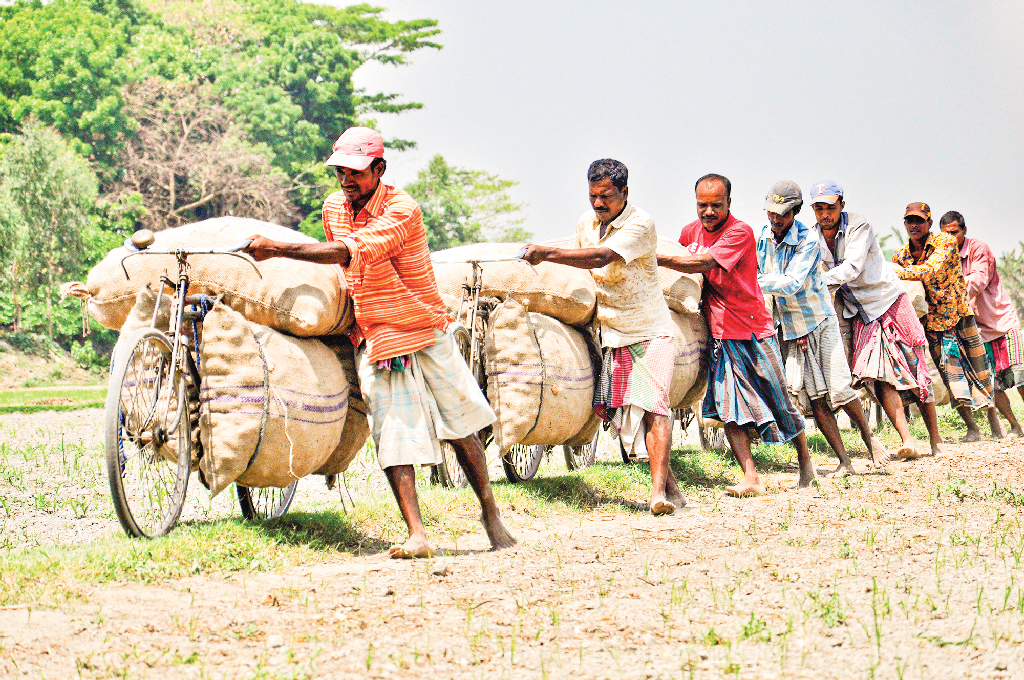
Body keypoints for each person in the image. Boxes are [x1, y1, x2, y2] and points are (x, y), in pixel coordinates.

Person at [245, 126, 515, 557]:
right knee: (391, 431)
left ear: (380, 169)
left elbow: (348, 252)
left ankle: (490, 512)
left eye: (355, 172)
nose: (346, 181)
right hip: (374, 333)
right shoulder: (333, 207)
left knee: (461, 426)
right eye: (340, 172)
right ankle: (417, 534)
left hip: (423, 326)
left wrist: (277, 248)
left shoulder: (402, 209)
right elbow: (339, 266)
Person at [521, 159, 685, 515]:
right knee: (630, 412)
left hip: (650, 329)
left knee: (655, 407)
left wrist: (547, 253)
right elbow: (584, 265)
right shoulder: (586, 223)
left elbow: (601, 256)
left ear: (624, 192)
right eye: (593, 196)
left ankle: (657, 494)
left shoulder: (641, 224)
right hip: (612, 331)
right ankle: (672, 490)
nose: (599, 204)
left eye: (606, 196)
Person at [658, 174, 814, 497]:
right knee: (730, 409)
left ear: (729, 203)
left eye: (716, 205)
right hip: (721, 335)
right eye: (703, 205)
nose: (709, 212)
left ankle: (806, 464)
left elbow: (700, 262)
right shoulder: (690, 232)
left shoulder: (740, 233)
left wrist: (653, 256)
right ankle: (750, 476)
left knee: (780, 400)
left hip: (753, 330)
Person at [755, 181, 888, 474]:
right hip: (789, 326)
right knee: (815, 398)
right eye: (771, 213)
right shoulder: (763, 236)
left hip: (818, 321)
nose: (776, 220)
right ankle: (845, 461)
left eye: (783, 214)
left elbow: (791, 283)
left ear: (796, 212)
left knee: (839, 388)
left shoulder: (808, 240)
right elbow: (761, 272)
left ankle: (870, 439)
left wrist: (752, 281)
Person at [809, 181, 944, 459]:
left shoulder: (859, 225)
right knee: (880, 376)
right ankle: (908, 440)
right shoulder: (812, 236)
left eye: (830, 207)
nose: (825, 214)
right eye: (819, 208)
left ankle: (936, 439)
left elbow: (853, 267)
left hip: (888, 301)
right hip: (860, 312)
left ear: (841, 206)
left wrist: (811, 282)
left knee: (916, 369)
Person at [893, 202, 996, 441]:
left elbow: (929, 271)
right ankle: (972, 428)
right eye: (910, 221)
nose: (914, 225)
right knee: (950, 374)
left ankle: (994, 423)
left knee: (979, 369)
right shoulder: (901, 254)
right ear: (905, 224)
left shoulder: (945, 243)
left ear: (929, 223)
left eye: (919, 221)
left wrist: (892, 271)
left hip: (959, 315)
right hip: (933, 323)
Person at [940, 211, 1024, 436]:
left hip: (1001, 322)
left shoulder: (978, 248)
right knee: (993, 385)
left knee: (1019, 376)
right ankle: (1015, 426)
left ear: (964, 231)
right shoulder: (940, 256)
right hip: (977, 330)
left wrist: (946, 291)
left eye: (954, 233)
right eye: (945, 234)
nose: (950, 238)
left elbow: (977, 280)